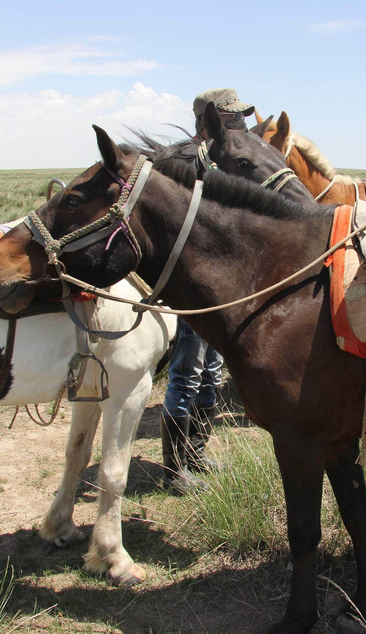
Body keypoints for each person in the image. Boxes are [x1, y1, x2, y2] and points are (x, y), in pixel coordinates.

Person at [160, 89, 255, 493]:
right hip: (193, 283)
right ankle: (174, 469)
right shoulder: (183, 159)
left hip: (223, 281)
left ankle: (196, 452)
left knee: (212, 371)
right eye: (234, 119)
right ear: (210, 122)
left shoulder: (227, 156)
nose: (242, 126)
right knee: (187, 371)